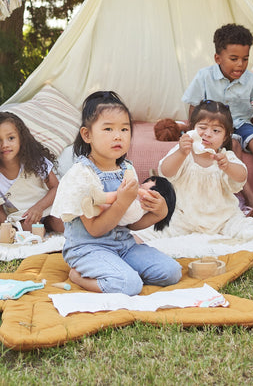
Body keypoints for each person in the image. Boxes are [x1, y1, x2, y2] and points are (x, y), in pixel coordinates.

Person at [50, 91, 181, 294]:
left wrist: (159, 213)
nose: (118, 135)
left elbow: (130, 222)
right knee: (130, 285)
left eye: (124, 129)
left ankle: (117, 269)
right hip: (89, 249)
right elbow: (94, 230)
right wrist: (121, 202)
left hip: (124, 246)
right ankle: (79, 277)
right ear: (87, 135)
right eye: (108, 129)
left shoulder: (126, 169)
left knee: (171, 272)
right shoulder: (81, 176)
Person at [151, 100, 253, 246]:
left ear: (225, 137)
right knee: (158, 227)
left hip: (223, 217)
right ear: (191, 129)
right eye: (202, 127)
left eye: (216, 131)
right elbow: (165, 172)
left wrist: (228, 167)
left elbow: (241, 177)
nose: (207, 134)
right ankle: (137, 240)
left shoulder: (225, 158)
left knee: (246, 226)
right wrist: (181, 153)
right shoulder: (183, 153)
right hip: (184, 216)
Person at [182, 23, 253, 207]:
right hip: (216, 126)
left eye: (245, 59)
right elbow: (193, 106)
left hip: (241, 122)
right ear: (218, 58)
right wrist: (195, 134)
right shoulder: (204, 76)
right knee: (232, 145)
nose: (240, 64)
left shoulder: (250, 79)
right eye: (234, 58)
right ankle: (251, 199)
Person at [0, 111, 65, 234]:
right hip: (23, 215)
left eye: (11, 138)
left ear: (21, 138)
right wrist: (8, 229)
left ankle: (49, 224)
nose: (4, 145)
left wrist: (39, 207)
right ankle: (41, 228)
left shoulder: (34, 160)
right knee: (29, 230)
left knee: (62, 225)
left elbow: (56, 187)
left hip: (47, 206)